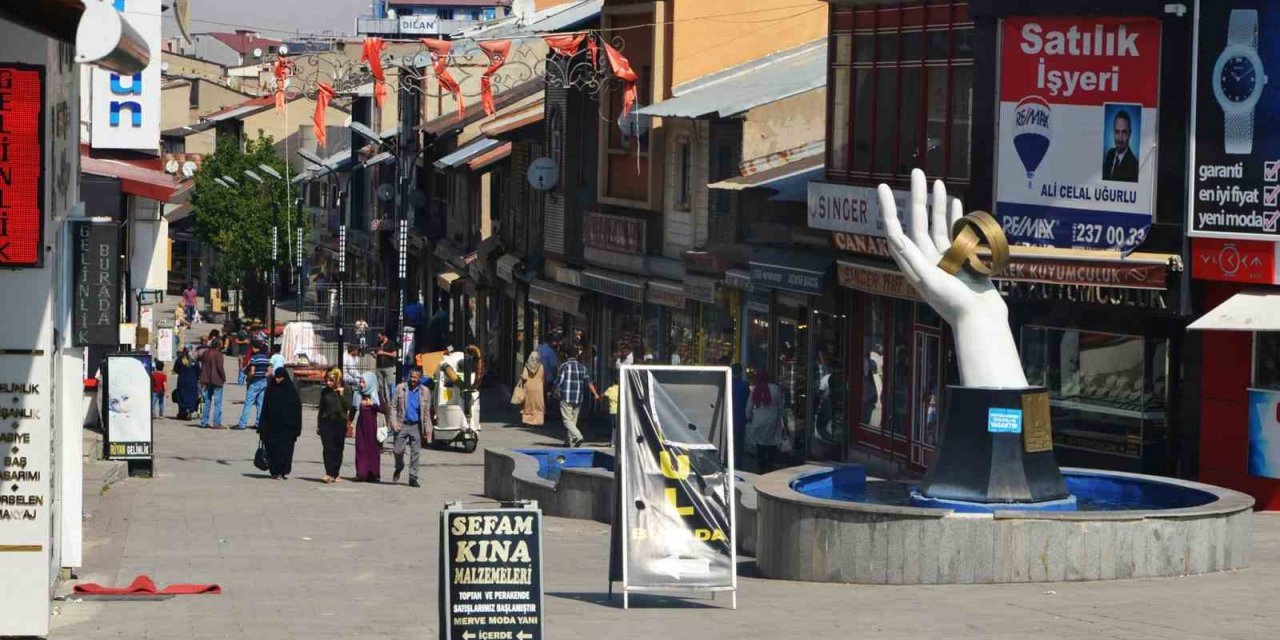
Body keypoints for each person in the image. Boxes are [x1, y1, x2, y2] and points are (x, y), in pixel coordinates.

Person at [258, 367, 301, 479]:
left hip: (287, 428)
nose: (277, 380)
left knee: (286, 451)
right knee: (272, 449)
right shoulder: (270, 389)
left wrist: (296, 428)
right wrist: (262, 426)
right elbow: (265, 408)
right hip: (271, 427)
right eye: (276, 377)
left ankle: (283, 471)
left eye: (280, 377)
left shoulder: (291, 391)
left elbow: (296, 410)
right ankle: (274, 471)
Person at [391, 368, 431, 487]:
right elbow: (393, 406)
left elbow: (427, 413)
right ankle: (399, 467)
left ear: (419, 379)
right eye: (411, 377)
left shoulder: (425, 391)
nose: (413, 380)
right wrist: (393, 422)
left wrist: (428, 430)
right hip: (402, 423)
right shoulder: (400, 388)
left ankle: (413, 477)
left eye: (415, 378)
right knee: (397, 450)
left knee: (415, 453)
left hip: (416, 426)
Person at [554, 347, 599, 447]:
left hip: (566, 396)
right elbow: (589, 382)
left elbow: (559, 381)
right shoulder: (582, 367)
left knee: (567, 420)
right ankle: (569, 442)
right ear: (577, 356)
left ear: (566, 355)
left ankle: (578, 436)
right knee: (573, 421)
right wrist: (595, 394)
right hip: (578, 398)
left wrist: (553, 390)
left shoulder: (564, 366)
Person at [317, 368, 352, 483]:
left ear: (338, 379)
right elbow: (321, 408)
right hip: (326, 422)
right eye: (327, 380)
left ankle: (336, 473)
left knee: (338, 448)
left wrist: (341, 394)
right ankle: (329, 473)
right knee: (328, 448)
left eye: (331, 380)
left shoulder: (346, 390)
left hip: (340, 422)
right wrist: (319, 424)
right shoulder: (325, 391)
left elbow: (348, 406)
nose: (328, 383)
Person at [352, 372, 388, 482]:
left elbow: (384, 409)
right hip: (361, 427)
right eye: (360, 381)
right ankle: (361, 473)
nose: (361, 384)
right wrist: (349, 422)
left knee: (373, 450)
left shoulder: (375, 393)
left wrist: (373, 404)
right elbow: (353, 409)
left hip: (373, 426)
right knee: (361, 449)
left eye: (363, 382)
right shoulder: (358, 394)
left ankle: (373, 473)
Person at [746, 369, 784, 473]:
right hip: (773, 420)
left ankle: (761, 469)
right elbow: (781, 406)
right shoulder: (775, 389)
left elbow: (749, 408)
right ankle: (771, 469)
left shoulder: (755, 390)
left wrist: (748, 418)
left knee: (760, 446)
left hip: (758, 420)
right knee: (772, 446)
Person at [237, 343, 271, 430]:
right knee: (260, 403)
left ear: (257, 349)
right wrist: (263, 375)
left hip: (255, 382)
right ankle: (259, 423)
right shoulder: (266, 359)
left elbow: (252, 372)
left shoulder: (254, 358)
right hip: (263, 382)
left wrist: (249, 378)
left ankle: (242, 423)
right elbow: (270, 372)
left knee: (248, 403)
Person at [198, 330, 227, 428]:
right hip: (217, 380)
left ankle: (204, 422)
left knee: (207, 401)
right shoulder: (219, 354)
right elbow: (220, 367)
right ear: (218, 345)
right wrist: (223, 377)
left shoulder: (206, 353)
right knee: (217, 403)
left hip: (207, 379)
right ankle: (217, 423)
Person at [1103, 110, 1139, 183]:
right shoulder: (1109, 154)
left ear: (1130, 133)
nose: (1120, 138)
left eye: (1124, 132)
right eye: (1117, 132)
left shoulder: (1134, 166)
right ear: (1113, 132)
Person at [730, 362, 750, 470]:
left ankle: (726, 463)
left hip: (728, 416)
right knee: (739, 443)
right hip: (740, 416)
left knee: (727, 441)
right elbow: (747, 401)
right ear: (740, 372)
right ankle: (738, 464)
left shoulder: (727, 383)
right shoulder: (744, 385)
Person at [519, 351, 545, 427]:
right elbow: (543, 376)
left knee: (528, 405)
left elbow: (524, 377)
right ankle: (537, 422)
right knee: (538, 405)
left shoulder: (527, 366)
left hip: (529, 387)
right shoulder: (541, 366)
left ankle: (528, 421)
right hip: (538, 388)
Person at [173, 347, 201, 421]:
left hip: (182, 381)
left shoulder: (180, 360)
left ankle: (182, 412)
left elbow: (176, 370)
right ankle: (190, 411)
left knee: (182, 396)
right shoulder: (194, 361)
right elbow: (199, 371)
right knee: (192, 396)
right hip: (192, 381)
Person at [374, 329, 398, 402]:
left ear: (384, 336)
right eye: (378, 337)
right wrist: (374, 355)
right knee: (380, 386)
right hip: (379, 367)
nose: (378, 338)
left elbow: (394, 354)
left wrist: (384, 352)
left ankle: (392, 401)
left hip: (389, 367)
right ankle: (383, 401)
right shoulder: (378, 343)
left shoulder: (391, 343)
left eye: (379, 337)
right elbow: (378, 354)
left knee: (390, 385)